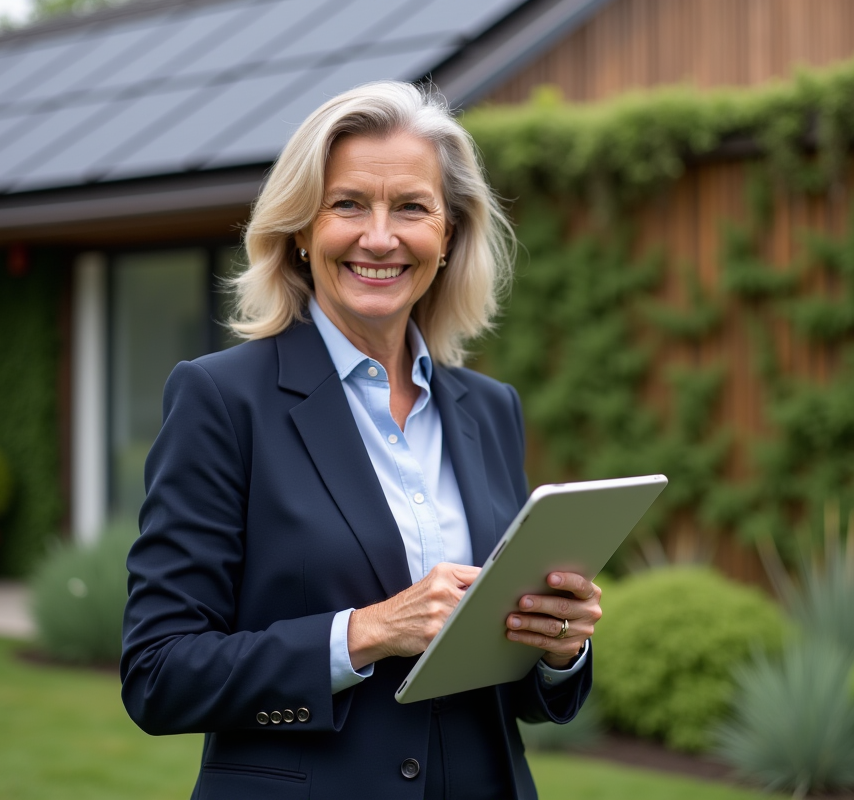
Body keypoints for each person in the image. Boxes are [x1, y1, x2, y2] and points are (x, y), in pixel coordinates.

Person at [120, 81, 602, 800]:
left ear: (449, 236)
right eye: (348, 204)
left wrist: (558, 648)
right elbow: (159, 674)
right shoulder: (222, 399)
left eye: (411, 207)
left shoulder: (489, 409)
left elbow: (527, 696)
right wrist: (367, 633)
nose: (380, 237)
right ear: (301, 232)